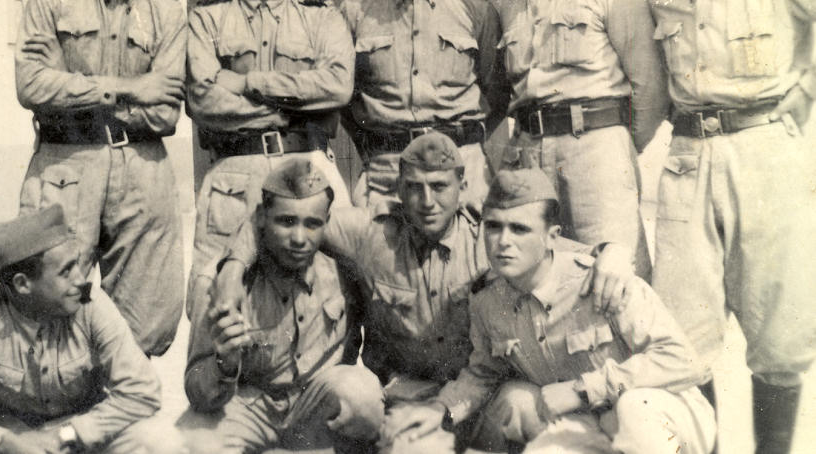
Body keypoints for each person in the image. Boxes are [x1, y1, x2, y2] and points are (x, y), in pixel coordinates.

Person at [213, 134, 633, 452]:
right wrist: (233, 269)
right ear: (398, 188)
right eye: (414, 186)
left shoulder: (489, 241)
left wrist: (612, 253)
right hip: (409, 398)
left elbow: (566, 251)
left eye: (439, 186)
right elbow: (274, 218)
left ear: (463, 187)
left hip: (480, 394)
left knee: (527, 407)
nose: (427, 200)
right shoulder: (370, 235)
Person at [646, 0, 816, 454]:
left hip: (763, 153)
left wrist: (807, 88)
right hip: (688, 158)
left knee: (777, 326)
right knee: (684, 332)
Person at [390, 169, 716, 454]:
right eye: (494, 227)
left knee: (635, 409)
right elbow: (483, 372)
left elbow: (683, 360)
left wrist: (583, 389)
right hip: (589, 421)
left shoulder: (600, 281)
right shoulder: (488, 300)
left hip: (664, 413)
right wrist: (441, 409)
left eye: (519, 229)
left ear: (552, 237)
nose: (503, 242)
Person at [14, 0, 185, 357]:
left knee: (146, 323)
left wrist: (72, 95)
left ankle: (121, 401)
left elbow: (165, 113)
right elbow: (31, 85)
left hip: (142, 171)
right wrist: (128, 89)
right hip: (65, 166)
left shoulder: (168, 11)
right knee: (43, 305)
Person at [495, 0, 670, 282]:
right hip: (530, 153)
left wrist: (614, 146)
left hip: (596, 154)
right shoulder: (508, 1)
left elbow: (650, 88)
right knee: (541, 279)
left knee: (613, 277)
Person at [185, 0, 354, 307]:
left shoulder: (322, 16)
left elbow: (337, 86)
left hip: (309, 170)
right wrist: (295, 109)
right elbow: (203, 101)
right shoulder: (207, 19)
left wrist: (247, 82)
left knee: (328, 297)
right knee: (216, 299)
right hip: (234, 178)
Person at [0, 205, 184, 454]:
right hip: (11, 434)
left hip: (81, 435)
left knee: (158, 439)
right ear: (23, 284)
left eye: (77, 264)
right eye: (66, 271)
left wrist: (68, 434)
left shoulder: (91, 306)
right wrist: (1, 441)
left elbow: (142, 391)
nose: (80, 279)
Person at [182, 159, 383, 453]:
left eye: (312, 224)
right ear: (261, 218)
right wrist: (224, 363)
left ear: (327, 222)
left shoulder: (343, 266)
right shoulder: (220, 283)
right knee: (193, 440)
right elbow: (196, 389)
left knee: (362, 395)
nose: (299, 238)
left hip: (315, 407)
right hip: (250, 407)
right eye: (286, 222)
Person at [340, 0, 507, 210]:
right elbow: (344, 98)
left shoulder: (476, 8)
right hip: (387, 173)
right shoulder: (356, 9)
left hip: (463, 170)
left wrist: (465, 142)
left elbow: (497, 93)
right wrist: (376, 146)